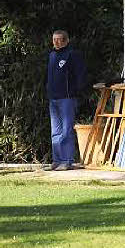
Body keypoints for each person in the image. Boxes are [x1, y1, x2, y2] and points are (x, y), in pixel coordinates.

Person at [46, 30, 87, 171]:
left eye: (60, 39)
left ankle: (67, 160)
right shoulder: (52, 55)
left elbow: (80, 74)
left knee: (66, 130)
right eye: (54, 39)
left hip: (67, 98)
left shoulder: (72, 54)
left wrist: (76, 91)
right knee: (55, 131)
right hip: (53, 98)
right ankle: (57, 160)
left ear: (66, 40)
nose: (57, 42)